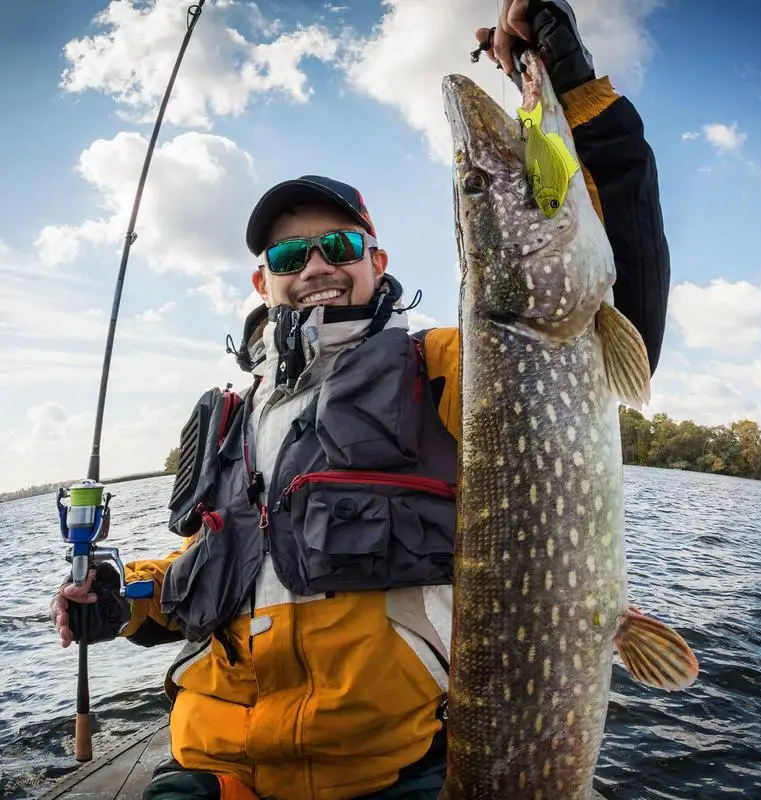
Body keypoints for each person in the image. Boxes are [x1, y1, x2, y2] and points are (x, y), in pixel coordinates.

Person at [50, 2, 671, 798]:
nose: (315, 266)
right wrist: (121, 599)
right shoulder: (231, 420)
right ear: (263, 280)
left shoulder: (454, 367)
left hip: (388, 773)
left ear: (376, 261)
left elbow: (607, 273)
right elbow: (218, 565)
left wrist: (569, 84)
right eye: (289, 255)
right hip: (217, 770)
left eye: (339, 245)